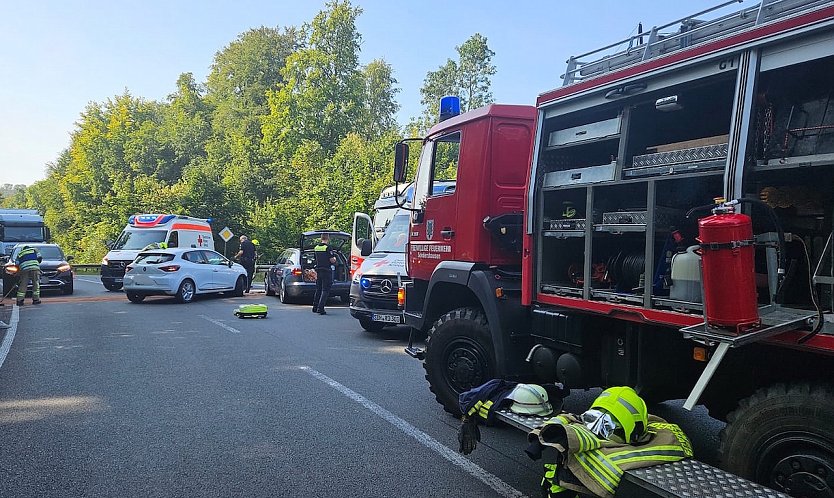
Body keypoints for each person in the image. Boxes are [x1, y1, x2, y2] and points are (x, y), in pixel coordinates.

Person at [312, 233, 337, 315]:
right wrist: (335, 259)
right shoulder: (327, 247)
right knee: (325, 290)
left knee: (318, 289)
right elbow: (332, 260)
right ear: (328, 238)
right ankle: (320, 308)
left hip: (318, 270)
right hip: (326, 270)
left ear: (321, 238)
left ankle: (315, 307)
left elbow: (315, 259)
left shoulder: (316, 248)